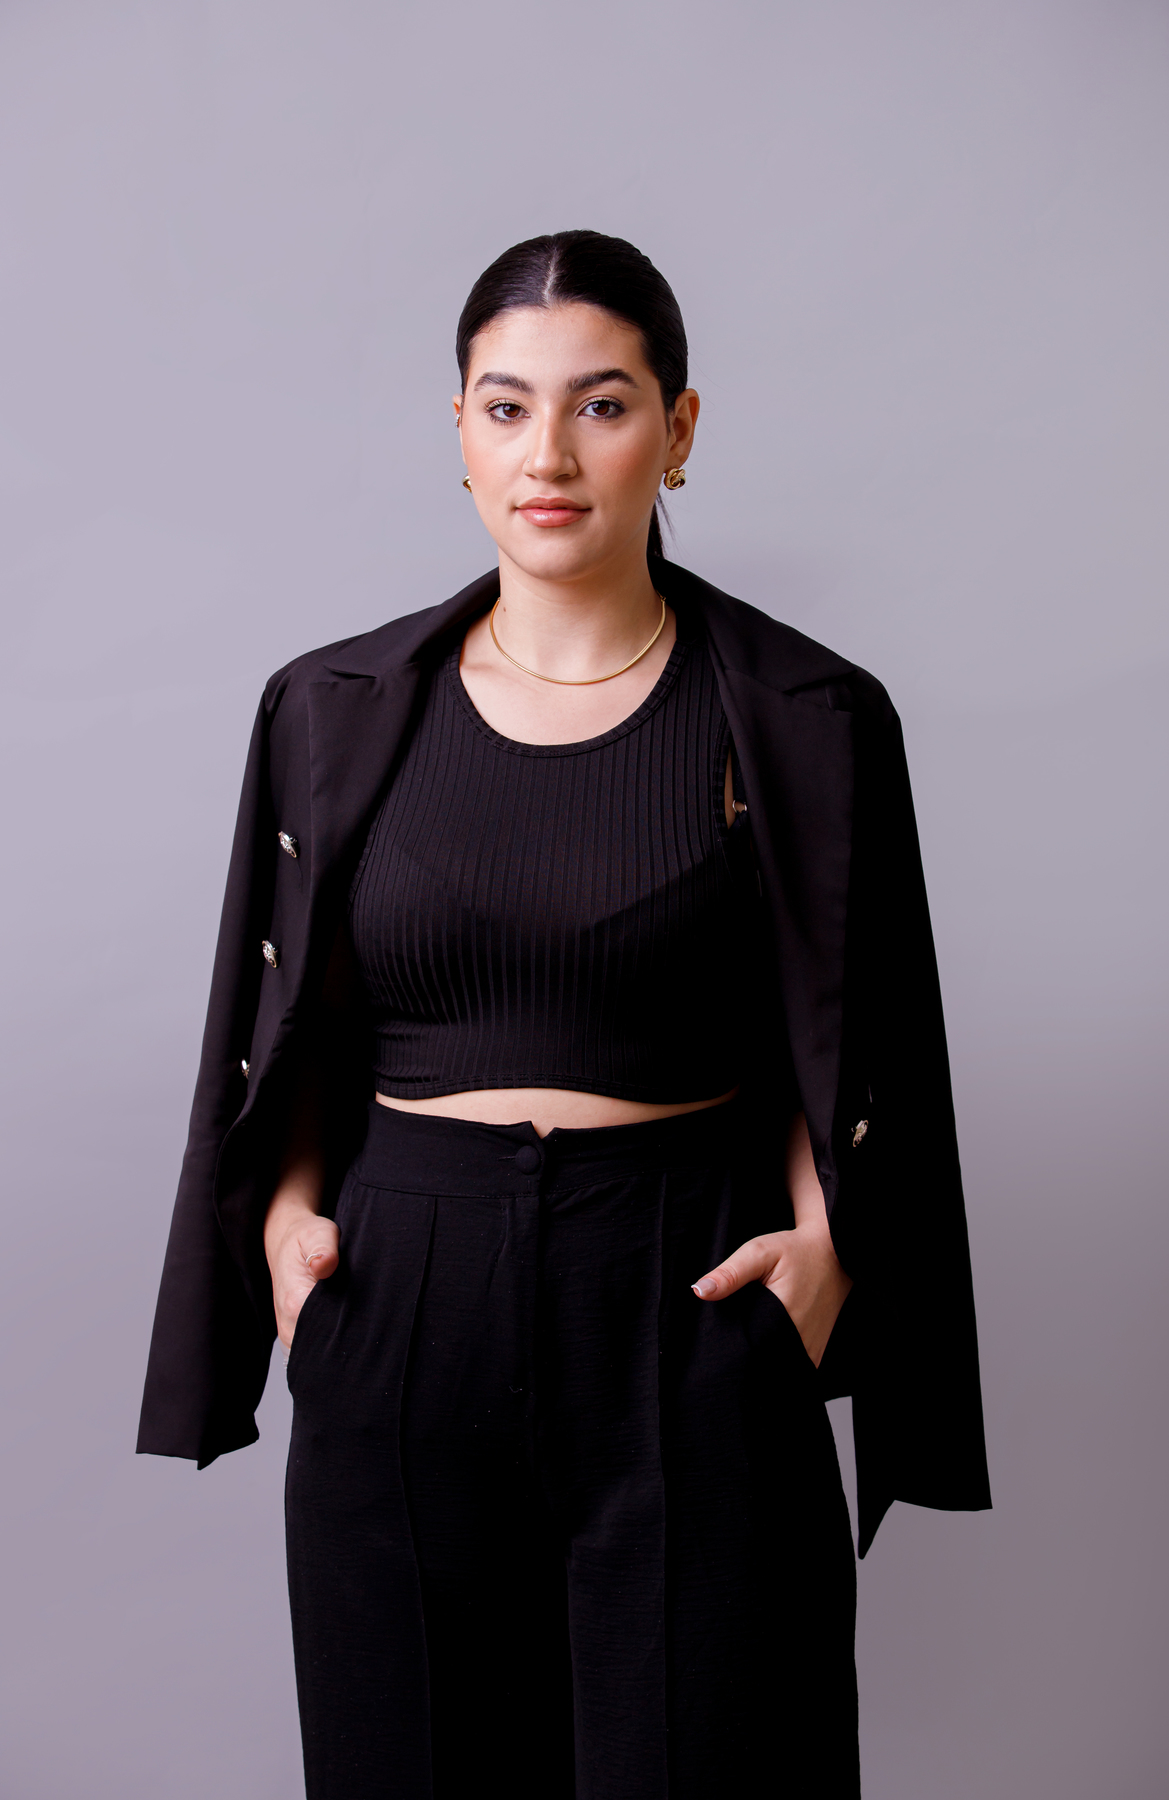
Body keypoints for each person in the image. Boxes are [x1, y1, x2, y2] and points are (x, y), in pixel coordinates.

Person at [138, 230, 990, 1800]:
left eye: (601, 405)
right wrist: (290, 1225)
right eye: (505, 405)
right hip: (404, 1291)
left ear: (678, 429)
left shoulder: (805, 715)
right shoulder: (332, 710)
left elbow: (851, 1030)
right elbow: (297, 1019)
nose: (548, 454)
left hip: (689, 1285)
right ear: (458, 432)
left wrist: (823, 1249)